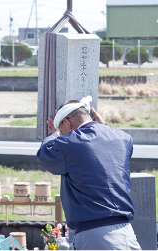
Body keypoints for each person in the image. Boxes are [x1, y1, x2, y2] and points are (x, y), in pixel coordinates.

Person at [36, 96, 141, 251]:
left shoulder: (71, 142)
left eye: (62, 129)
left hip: (94, 236)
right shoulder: (122, 138)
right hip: (126, 231)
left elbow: (44, 154)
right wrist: (105, 127)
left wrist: (55, 134)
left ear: (67, 122)